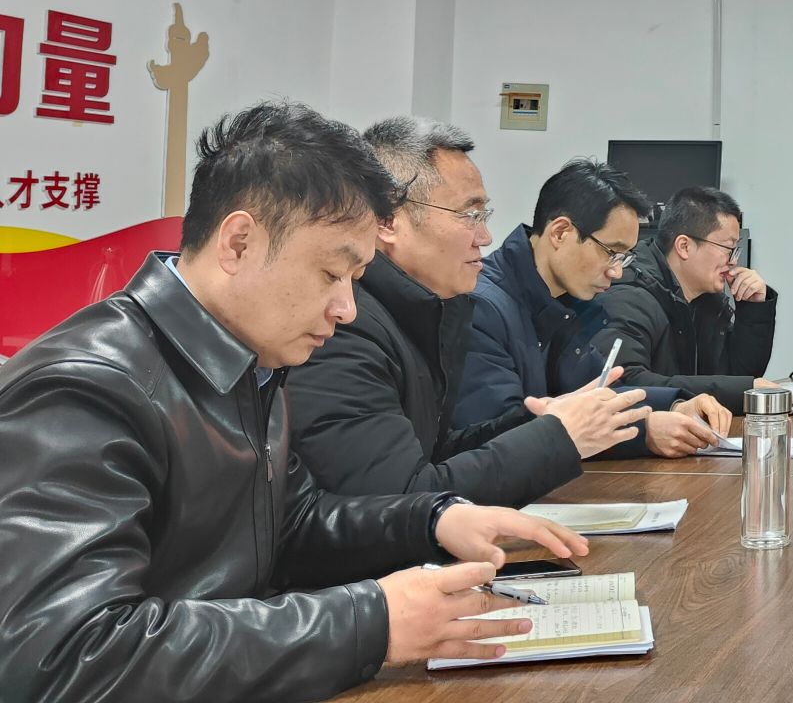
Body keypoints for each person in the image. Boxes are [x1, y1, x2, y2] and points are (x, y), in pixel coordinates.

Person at [0, 102, 590, 702]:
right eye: (331, 274)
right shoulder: (84, 389)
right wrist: (370, 621)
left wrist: (434, 518)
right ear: (238, 243)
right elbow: (66, 656)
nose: (347, 309)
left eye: (355, 279)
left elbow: (295, 524)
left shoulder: (252, 363)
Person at [289, 117, 652, 507]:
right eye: (469, 215)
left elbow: (437, 454)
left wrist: (543, 423)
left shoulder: (428, 311)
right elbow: (399, 501)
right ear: (389, 221)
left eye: (484, 215)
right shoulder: (347, 327)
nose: (485, 236)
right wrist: (557, 437)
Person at [455, 159, 724, 456]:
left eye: (625, 257)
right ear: (560, 233)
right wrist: (644, 431)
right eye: (612, 253)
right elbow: (500, 437)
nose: (616, 271)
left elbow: (599, 393)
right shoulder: (481, 308)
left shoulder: (569, 304)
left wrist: (674, 404)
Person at [597, 186, 777, 415]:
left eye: (735, 251)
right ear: (684, 246)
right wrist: (740, 390)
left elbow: (739, 375)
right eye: (727, 248)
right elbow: (626, 382)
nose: (733, 261)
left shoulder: (706, 300)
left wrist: (753, 308)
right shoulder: (629, 296)